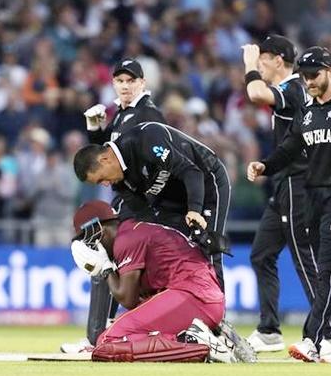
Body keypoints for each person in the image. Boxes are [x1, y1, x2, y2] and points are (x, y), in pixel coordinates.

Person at [247, 46, 331, 363]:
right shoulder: (308, 112)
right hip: (314, 195)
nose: (308, 80)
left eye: (314, 74)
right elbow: (290, 148)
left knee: (328, 270)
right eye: (305, 75)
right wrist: (265, 166)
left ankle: (314, 337)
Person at [62, 58, 168, 353]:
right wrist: (97, 132)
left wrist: (148, 199)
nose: (124, 86)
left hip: (140, 205)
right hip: (126, 202)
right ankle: (100, 335)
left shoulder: (148, 115)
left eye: (130, 81)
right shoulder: (122, 116)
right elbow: (107, 159)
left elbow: (156, 160)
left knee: (100, 253)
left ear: (142, 84)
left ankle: (96, 337)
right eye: (119, 81)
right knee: (104, 257)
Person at [73, 120, 231, 290]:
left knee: (208, 247)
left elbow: (191, 172)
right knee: (170, 249)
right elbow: (145, 216)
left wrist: (194, 210)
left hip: (206, 180)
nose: (105, 184)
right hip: (171, 197)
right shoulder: (119, 182)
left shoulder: (145, 140)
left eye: (101, 179)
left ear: (105, 159)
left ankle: (217, 314)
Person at [70, 200, 234, 363]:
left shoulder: (125, 240)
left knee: (108, 340)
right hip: (203, 299)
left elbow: (127, 298)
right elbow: (136, 302)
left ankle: (194, 341)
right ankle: (212, 336)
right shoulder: (133, 231)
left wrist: (105, 268)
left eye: (87, 239)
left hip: (194, 297)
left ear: (99, 229)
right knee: (124, 334)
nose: (88, 247)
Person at [241, 35, 319, 352]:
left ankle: (325, 329)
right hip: (283, 183)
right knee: (262, 254)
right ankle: (270, 330)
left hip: (298, 184)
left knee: (305, 260)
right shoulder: (289, 89)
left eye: (263, 57)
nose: (259, 63)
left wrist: (248, 66)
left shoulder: (293, 88)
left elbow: (255, 93)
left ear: (278, 60)